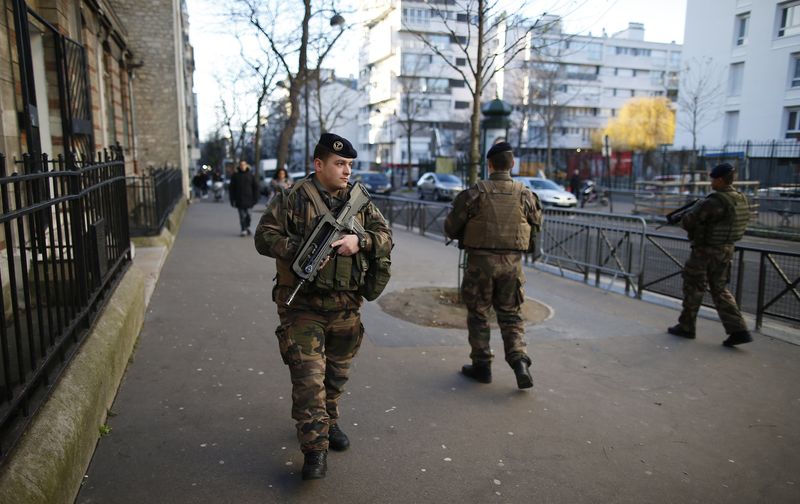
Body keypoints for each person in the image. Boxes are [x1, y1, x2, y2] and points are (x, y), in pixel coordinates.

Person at [254, 133, 392, 480]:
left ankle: (326, 421)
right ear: (319, 164)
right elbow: (263, 237)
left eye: (349, 165)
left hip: (347, 307)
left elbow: (386, 237)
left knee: (335, 377)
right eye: (339, 164)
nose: (346, 171)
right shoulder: (292, 199)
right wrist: (301, 251)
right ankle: (315, 449)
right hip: (302, 307)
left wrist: (358, 241)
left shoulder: (359, 202)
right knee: (308, 378)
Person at [444, 142, 542, 390]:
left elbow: (451, 227)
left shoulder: (475, 193)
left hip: (480, 267)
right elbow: (536, 226)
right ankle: (519, 361)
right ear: (512, 164)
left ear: (489, 165)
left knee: (478, 315)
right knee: (511, 315)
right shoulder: (526, 195)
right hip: (512, 267)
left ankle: (482, 366)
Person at [667, 162, 752, 347]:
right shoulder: (740, 198)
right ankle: (739, 330)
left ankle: (686, 326)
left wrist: (691, 212)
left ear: (720, 180)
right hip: (726, 250)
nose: (711, 181)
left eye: (713, 178)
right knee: (720, 289)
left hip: (705, 252)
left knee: (694, 287)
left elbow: (689, 222)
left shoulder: (714, 201)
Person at [228, 160, 260, 236]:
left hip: (249, 199)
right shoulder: (235, 176)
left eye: (244, 165)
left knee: (249, 215)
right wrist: (232, 200)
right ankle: (243, 229)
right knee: (242, 216)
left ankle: (247, 226)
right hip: (239, 200)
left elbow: (256, 187)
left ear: (246, 166)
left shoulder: (251, 176)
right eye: (241, 165)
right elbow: (231, 189)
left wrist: (256, 198)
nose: (242, 166)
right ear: (239, 166)